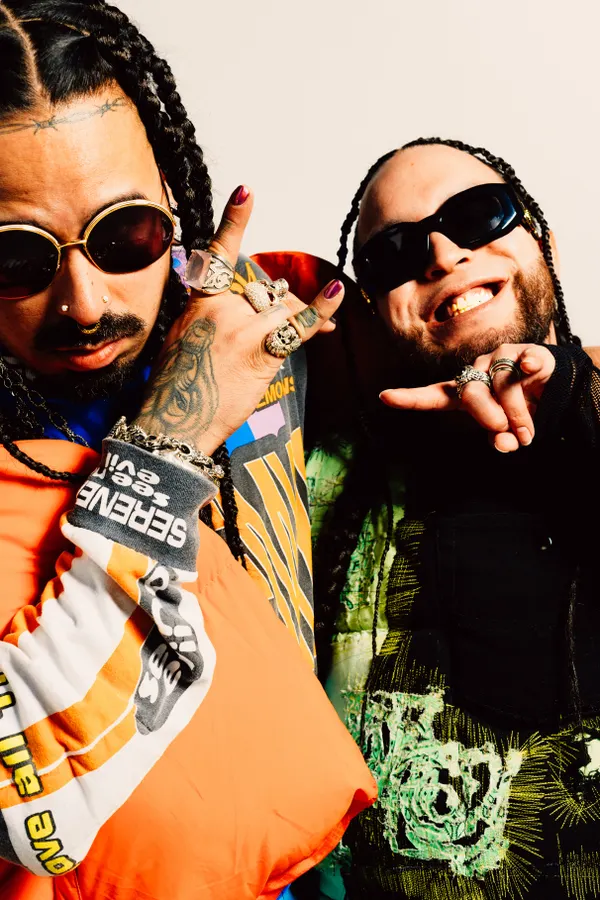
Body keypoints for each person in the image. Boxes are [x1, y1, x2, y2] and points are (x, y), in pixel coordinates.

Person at [0, 1, 377, 897]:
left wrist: (548, 384)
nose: (86, 303)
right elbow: (28, 799)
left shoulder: (269, 324)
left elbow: (483, 338)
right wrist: (172, 438)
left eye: (124, 235)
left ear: (175, 200)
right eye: (16, 259)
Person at [304, 138, 600, 899]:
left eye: (478, 215)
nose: (442, 253)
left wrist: (575, 398)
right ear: (373, 311)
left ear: (544, 242)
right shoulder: (321, 484)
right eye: (394, 253)